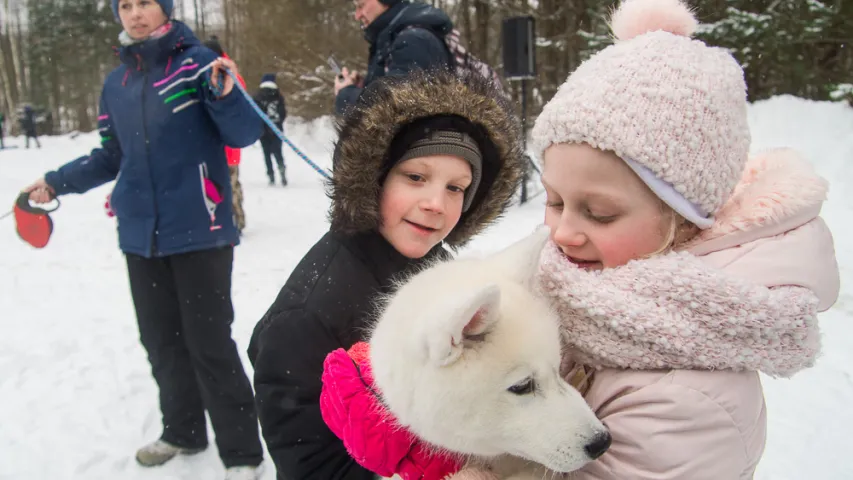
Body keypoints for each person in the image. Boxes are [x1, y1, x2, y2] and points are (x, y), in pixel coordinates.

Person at [317, 1, 840, 479]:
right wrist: (415, 395)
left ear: (684, 219)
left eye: (600, 212)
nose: (561, 231)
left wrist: (445, 463)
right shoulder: (574, 285)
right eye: (554, 200)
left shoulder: (689, 397)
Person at [22, 1, 264, 478]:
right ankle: (183, 431)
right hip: (140, 234)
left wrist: (226, 93)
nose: (134, 13)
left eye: (145, 3)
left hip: (202, 226)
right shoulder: (117, 83)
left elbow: (244, 131)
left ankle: (242, 453)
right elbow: (111, 155)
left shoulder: (198, 65)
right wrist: (56, 181)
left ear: (166, 9)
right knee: (161, 341)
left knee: (209, 343)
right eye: (125, 5)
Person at [247, 69, 524, 480]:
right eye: (416, 177)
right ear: (374, 178)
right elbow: (310, 466)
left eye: (456, 187)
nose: (436, 203)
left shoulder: (432, 260)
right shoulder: (308, 317)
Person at [333, 0, 453, 115]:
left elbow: (396, 105)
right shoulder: (394, 38)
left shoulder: (414, 39)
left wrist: (347, 94)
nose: (357, 15)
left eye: (361, 5)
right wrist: (364, 87)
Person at [205, 35, 248, 233]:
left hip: (227, 144)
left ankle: (234, 221)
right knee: (231, 183)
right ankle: (236, 219)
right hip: (228, 145)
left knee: (227, 184)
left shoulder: (226, 75)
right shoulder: (228, 72)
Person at [253, 73, 287, 186]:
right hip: (277, 129)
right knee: (278, 152)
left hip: (263, 131)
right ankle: (282, 172)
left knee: (266, 154)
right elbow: (283, 113)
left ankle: (271, 175)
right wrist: (278, 122)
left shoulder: (257, 96)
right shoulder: (278, 95)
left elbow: (254, 113)